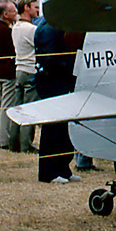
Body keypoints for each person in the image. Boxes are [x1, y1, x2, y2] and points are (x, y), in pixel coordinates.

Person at [34, 20, 82, 183]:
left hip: (59, 82)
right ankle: (48, 172)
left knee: (62, 129)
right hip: (52, 83)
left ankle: (62, 168)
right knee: (52, 129)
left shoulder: (56, 26)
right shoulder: (48, 28)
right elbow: (49, 59)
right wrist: (69, 69)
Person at [11, 0, 39, 152]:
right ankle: (26, 144)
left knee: (17, 109)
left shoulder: (16, 27)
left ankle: (13, 142)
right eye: (35, 7)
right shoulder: (31, 30)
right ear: (27, 8)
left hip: (19, 69)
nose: (37, 10)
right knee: (29, 110)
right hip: (30, 70)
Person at [0, 0, 19, 151]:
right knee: (6, 106)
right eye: (14, 11)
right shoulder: (6, 31)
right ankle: (5, 139)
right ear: (6, 14)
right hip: (7, 72)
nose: (16, 13)